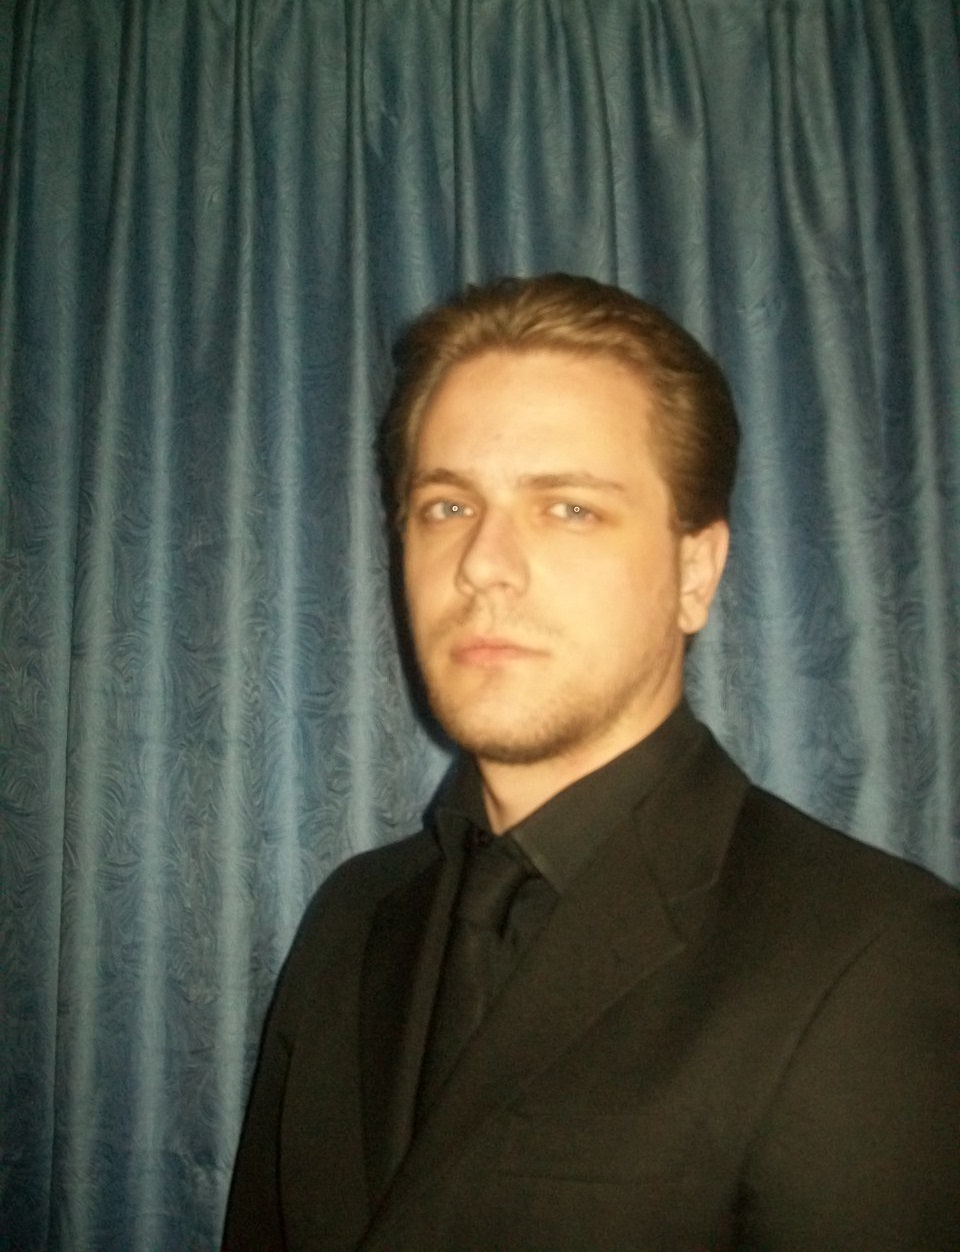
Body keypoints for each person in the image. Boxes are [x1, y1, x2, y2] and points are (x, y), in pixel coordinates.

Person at [222, 274, 960, 1251]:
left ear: (695, 572)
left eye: (567, 508)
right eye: (447, 505)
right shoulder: (350, 918)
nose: (483, 563)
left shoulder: (875, 954)